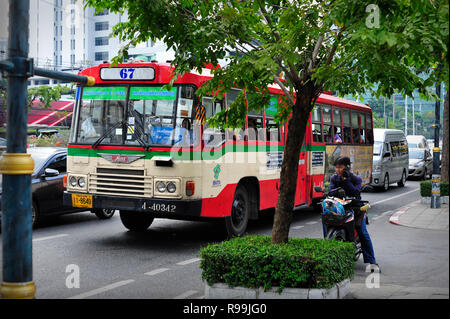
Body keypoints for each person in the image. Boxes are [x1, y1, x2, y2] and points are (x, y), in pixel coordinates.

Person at [324, 156, 379, 270]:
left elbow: (355, 191)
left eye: (340, 167)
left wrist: (346, 181)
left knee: (363, 232)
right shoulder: (334, 178)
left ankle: (372, 261)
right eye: (337, 167)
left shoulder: (356, 179)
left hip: (356, 209)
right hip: (339, 208)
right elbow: (330, 191)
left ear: (347, 168)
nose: (338, 170)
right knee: (326, 220)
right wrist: (337, 189)